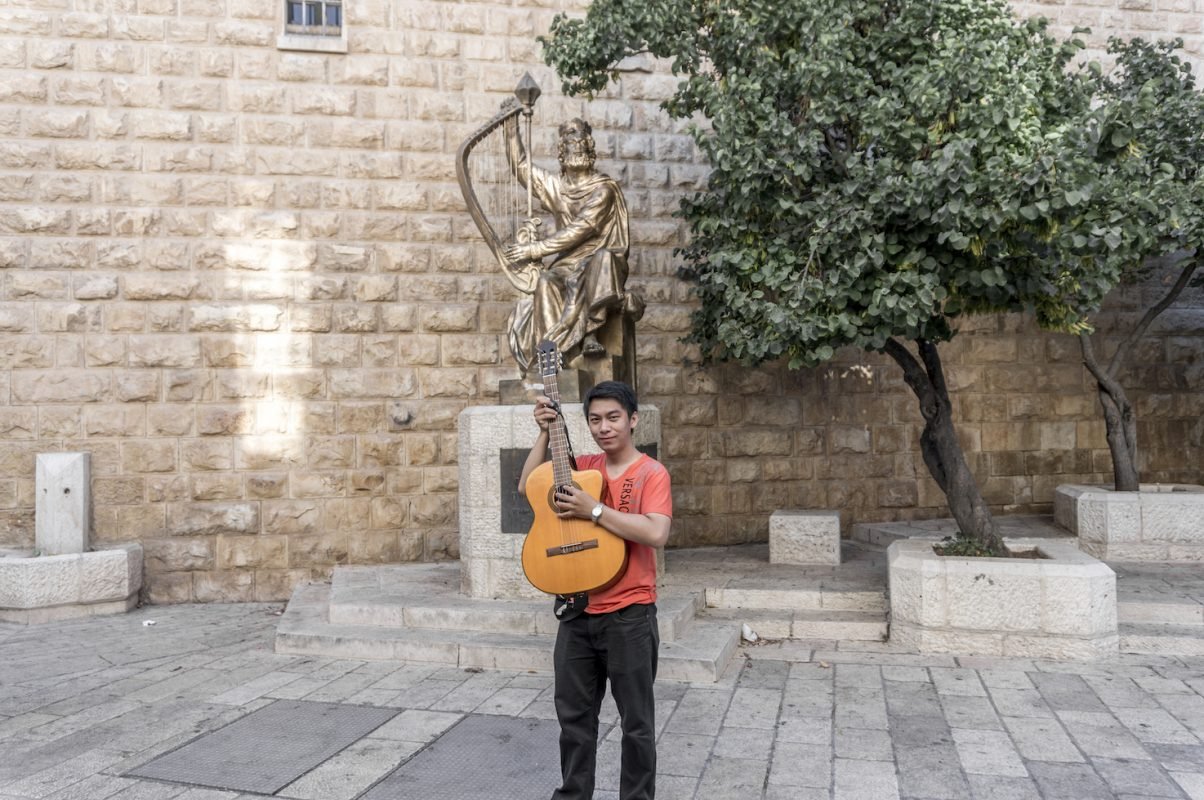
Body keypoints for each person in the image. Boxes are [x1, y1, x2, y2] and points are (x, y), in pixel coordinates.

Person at [517, 380, 672, 800]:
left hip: (630, 615)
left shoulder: (650, 473)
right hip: (577, 612)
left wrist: (595, 509)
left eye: (613, 417)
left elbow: (656, 532)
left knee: (636, 724)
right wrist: (545, 431)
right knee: (574, 720)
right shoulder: (583, 467)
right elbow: (527, 486)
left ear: (633, 420)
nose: (604, 427)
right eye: (595, 419)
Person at [501, 117, 641, 377]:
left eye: (580, 143)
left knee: (601, 258)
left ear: (589, 149)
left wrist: (535, 249)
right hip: (566, 265)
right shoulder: (556, 186)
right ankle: (551, 360)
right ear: (562, 152)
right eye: (569, 142)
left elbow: (582, 228)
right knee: (546, 280)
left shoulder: (603, 189)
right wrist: (511, 131)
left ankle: (591, 333)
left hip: (599, 266)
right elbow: (521, 167)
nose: (575, 147)